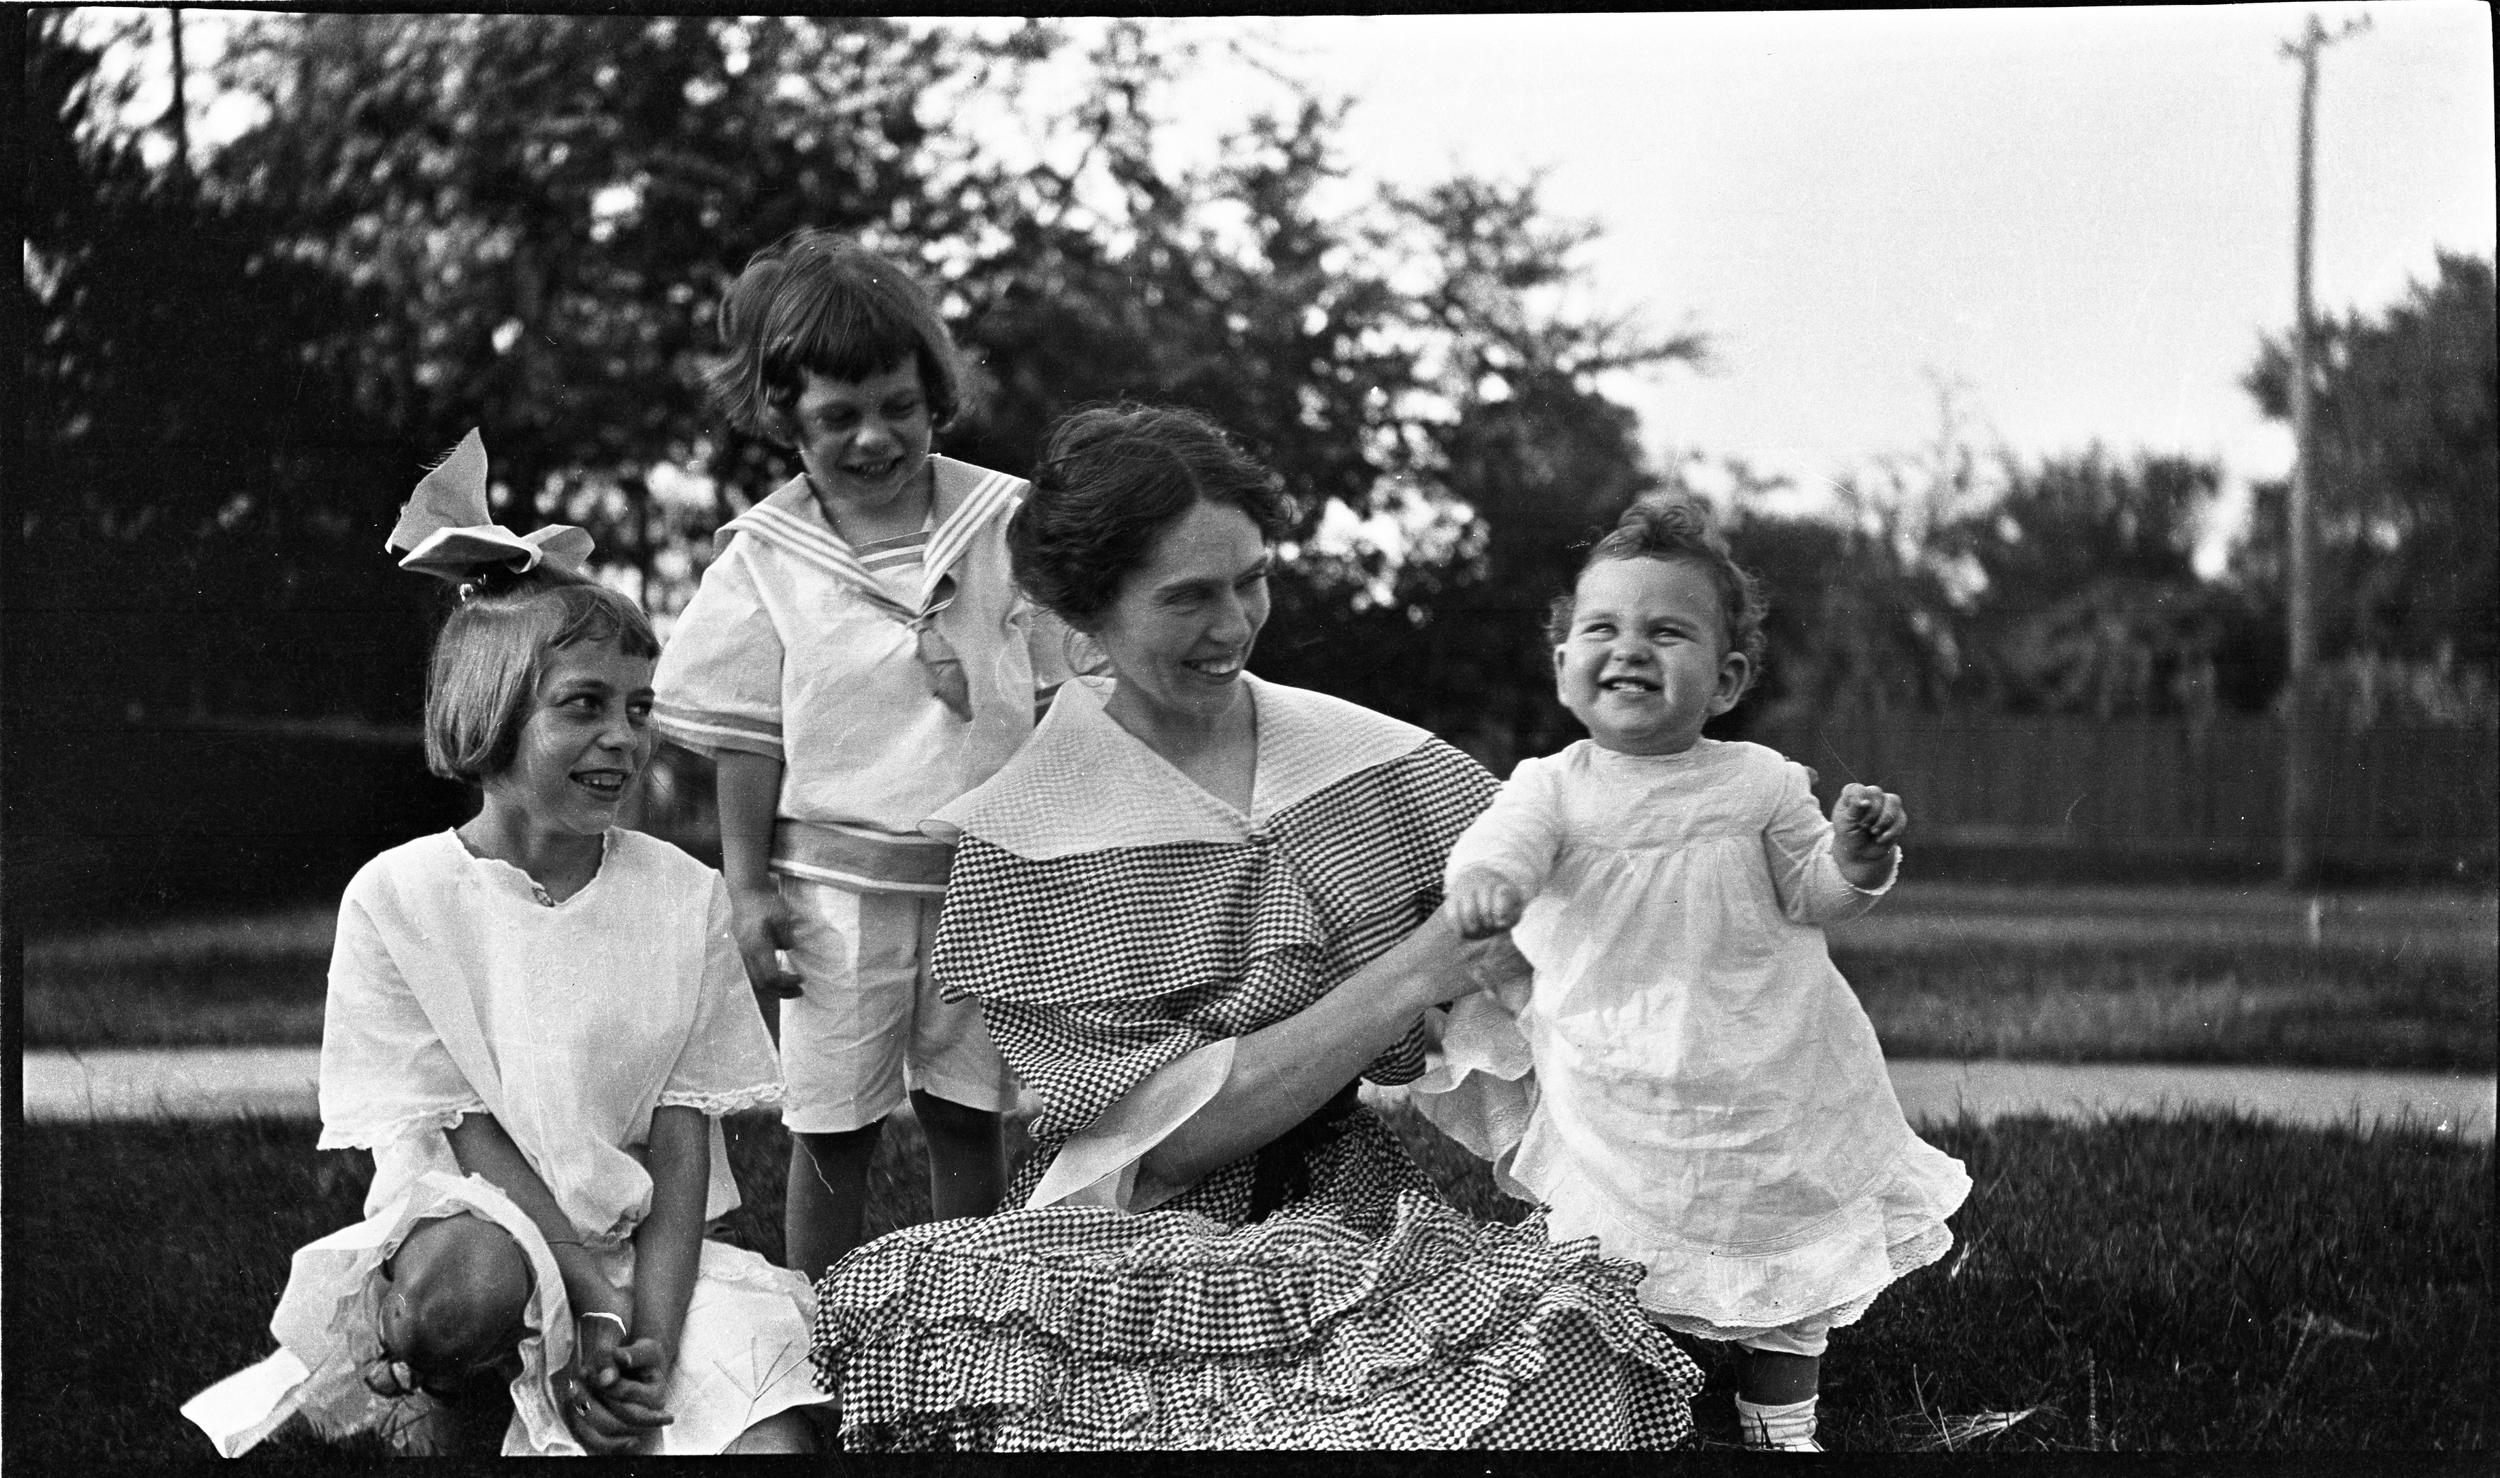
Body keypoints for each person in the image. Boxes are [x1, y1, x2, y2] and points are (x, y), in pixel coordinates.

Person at [809, 404, 1705, 1450]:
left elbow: (1600, 924)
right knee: (913, 1310)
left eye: (1252, 578)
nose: (1233, 623)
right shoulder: (1027, 833)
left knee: (1566, 1344)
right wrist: (1420, 965)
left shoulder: (1369, 758)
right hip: (1122, 1232)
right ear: (1081, 611)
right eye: (1188, 596)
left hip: (1346, 1207)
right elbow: (1170, 1143)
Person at [180, 433, 825, 1457]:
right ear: (494, 708)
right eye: (584, 705)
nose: (624, 736)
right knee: (472, 1293)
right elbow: (466, 1135)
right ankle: (454, 1396)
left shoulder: (682, 892)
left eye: (639, 708)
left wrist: (642, 1337)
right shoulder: (400, 896)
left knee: (769, 1444)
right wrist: (585, 1298)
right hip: (478, 1235)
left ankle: (612, 1389)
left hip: (638, 1254)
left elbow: (681, 1138)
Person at [1432, 493, 1972, 1452]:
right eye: (1602, 628)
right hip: (1617, 1061)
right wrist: (1487, 888)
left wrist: (1855, 858)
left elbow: (1814, 894)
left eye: (1666, 631)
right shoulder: (1551, 788)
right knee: (1613, 1240)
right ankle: (1632, 1384)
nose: (1630, 648)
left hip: (1768, 1054)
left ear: (1723, 681)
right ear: (1564, 667)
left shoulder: (1761, 780)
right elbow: (1499, 849)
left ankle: (1780, 1408)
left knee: (1789, 1218)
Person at [652, 229, 1069, 1283]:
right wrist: (747, 890)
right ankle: (819, 1324)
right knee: (832, 1125)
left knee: (967, 1109)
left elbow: (1064, 696)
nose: (875, 438)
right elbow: (748, 739)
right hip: (835, 890)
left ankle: (970, 1313)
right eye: (839, 417)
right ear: (786, 418)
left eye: (899, 407)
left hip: (985, 878)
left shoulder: (1002, 521)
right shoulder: (770, 557)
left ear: (935, 394)